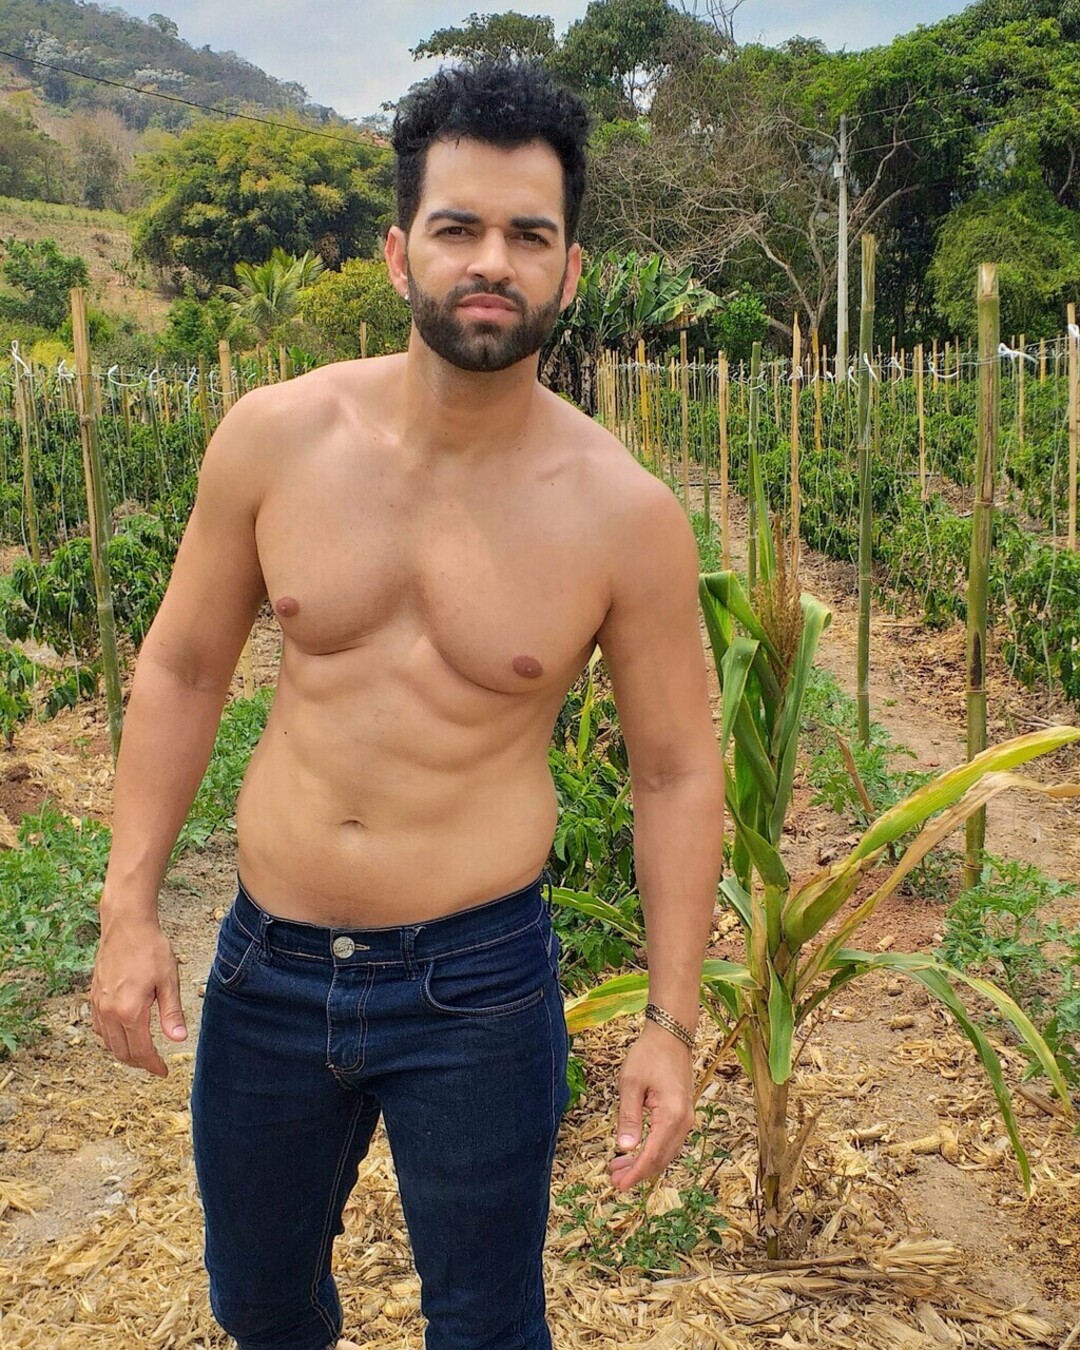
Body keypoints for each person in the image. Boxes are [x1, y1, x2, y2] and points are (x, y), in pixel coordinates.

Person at [90, 59, 724, 1350]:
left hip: (479, 985)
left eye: (528, 236)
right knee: (261, 1306)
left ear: (570, 271)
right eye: (458, 228)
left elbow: (673, 769)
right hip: (268, 965)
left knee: (486, 1323)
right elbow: (185, 667)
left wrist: (670, 1021)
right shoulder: (276, 438)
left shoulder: (624, 514)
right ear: (399, 253)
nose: (491, 262)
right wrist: (128, 904)